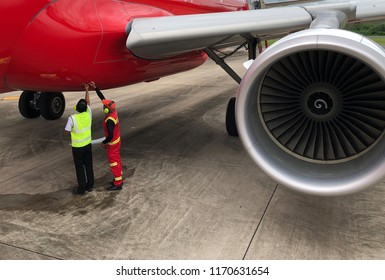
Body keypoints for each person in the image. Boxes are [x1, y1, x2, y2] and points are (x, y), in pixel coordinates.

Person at [89, 81, 123, 191]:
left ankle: (118, 184)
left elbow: (110, 135)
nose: (103, 108)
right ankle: (119, 178)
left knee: (113, 162)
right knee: (117, 160)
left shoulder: (109, 120)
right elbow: (102, 98)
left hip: (112, 143)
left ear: (108, 109)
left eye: (104, 107)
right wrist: (95, 88)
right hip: (116, 141)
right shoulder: (113, 112)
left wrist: (104, 143)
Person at [65, 83, 94, 195]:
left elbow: (67, 130)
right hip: (87, 144)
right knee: (88, 165)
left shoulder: (72, 118)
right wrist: (87, 91)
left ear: (77, 108)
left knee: (79, 168)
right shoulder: (88, 114)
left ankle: (81, 189)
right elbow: (88, 103)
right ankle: (90, 185)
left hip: (77, 147)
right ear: (86, 107)